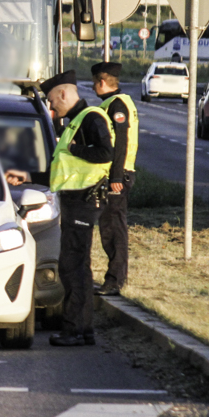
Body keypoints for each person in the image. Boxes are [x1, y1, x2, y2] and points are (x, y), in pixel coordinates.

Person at [7, 70, 113, 347]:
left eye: (52, 101)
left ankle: (74, 330)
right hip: (76, 202)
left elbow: (105, 153)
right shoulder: (76, 121)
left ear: (64, 93)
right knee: (76, 267)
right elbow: (61, 171)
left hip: (84, 202)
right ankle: (84, 329)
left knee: (73, 267)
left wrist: (77, 150)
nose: (51, 106)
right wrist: (28, 176)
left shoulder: (90, 118)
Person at [92, 61, 138, 296]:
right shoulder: (119, 102)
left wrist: (115, 177)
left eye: (94, 82)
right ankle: (116, 277)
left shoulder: (116, 105)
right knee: (111, 226)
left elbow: (121, 142)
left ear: (102, 82)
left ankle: (115, 280)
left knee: (113, 228)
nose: (92, 87)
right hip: (118, 173)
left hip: (118, 175)